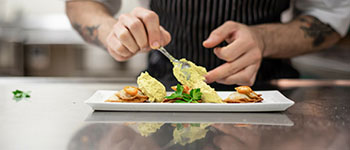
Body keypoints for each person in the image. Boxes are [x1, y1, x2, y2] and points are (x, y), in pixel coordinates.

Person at [66, 0, 350, 90]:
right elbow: (82, 4)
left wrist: (264, 39)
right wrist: (111, 33)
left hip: (266, 92)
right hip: (163, 95)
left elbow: (331, 17)